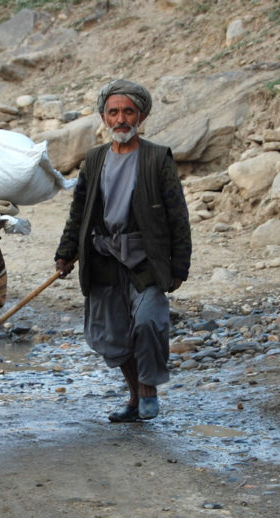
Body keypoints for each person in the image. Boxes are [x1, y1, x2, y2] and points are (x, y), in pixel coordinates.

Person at [54, 79, 192, 422]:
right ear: (103, 117)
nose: (121, 119)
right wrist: (66, 251)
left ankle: (148, 389)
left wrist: (180, 266)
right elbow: (79, 210)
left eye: (128, 111)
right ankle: (134, 397)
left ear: (141, 116)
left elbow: (178, 215)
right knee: (114, 336)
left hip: (145, 259)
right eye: (113, 112)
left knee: (148, 322)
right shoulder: (94, 159)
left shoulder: (158, 158)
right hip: (103, 258)